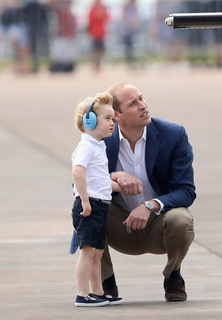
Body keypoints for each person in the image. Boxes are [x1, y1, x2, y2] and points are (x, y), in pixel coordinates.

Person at [100, 83, 196, 302]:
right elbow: (81, 186)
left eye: (142, 98)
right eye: (133, 103)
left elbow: (186, 191)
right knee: (85, 210)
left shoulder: (173, 134)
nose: (144, 106)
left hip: (159, 226)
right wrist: (115, 176)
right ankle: (106, 284)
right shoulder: (101, 139)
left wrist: (150, 205)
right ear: (116, 115)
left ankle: (173, 275)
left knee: (182, 219)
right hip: (119, 227)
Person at [70, 92, 123, 307]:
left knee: (98, 253)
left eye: (113, 118)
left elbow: (101, 179)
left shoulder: (98, 146)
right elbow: (77, 172)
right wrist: (84, 200)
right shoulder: (86, 146)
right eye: (108, 119)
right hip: (89, 205)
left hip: (100, 205)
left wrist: (124, 188)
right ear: (89, 121)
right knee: (87, 251)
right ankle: (82, 294)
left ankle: (98, 292)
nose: (113, 123)